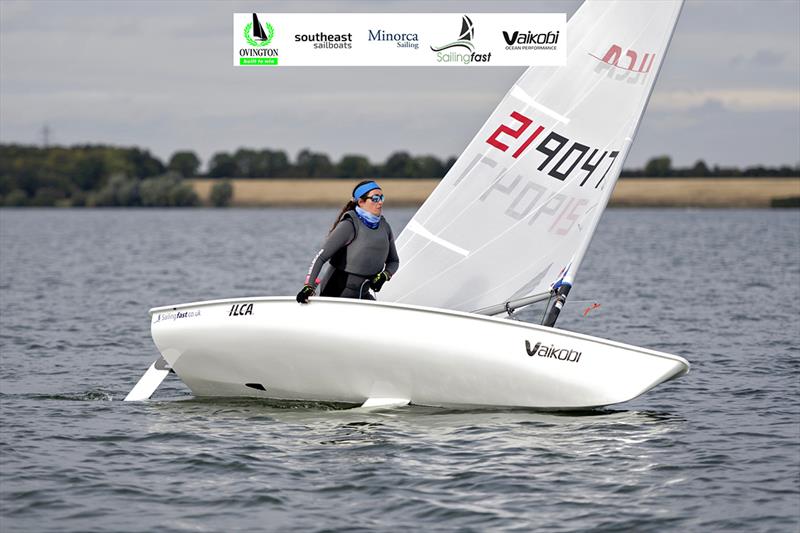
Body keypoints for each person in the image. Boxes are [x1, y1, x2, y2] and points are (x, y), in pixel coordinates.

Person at [296, 180, 399, 303]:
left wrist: (385, 275)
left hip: (362, 294)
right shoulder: (349, 225)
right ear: (361, 202)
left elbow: (394, 261)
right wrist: (309, 286)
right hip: (336, 294)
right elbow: (320, 258)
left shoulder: (384, 226)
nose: (380, 202)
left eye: (382, 197)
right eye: (375, 198)